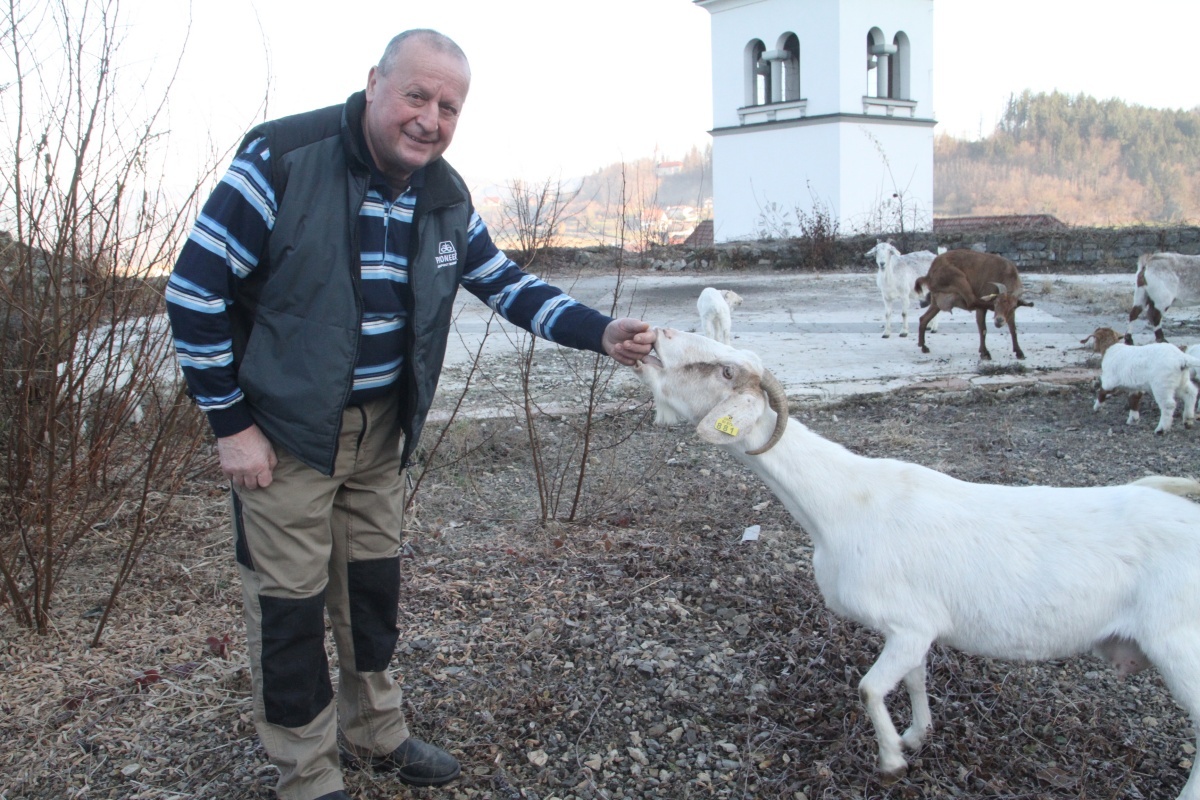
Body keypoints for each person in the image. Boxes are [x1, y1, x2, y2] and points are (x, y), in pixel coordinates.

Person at [166, 29, 655, 800]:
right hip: (285, 437)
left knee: (371, 593)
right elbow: (193, 293)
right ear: (374, 84)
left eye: (449, 106)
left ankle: (375, 735)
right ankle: (307, 775)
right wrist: (231, 426)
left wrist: (600, 331)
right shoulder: (281, 160)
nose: (430, 118)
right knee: (288, 613)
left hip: (380, 434)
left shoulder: (446, 196)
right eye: (417, 96)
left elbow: (506, 284)